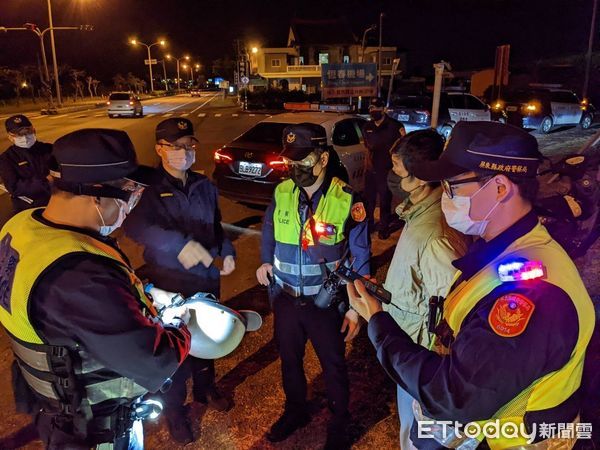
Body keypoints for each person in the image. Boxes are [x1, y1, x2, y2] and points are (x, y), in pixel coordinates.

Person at [347, 121, 596, 449]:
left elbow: (456, 396)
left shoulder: (531, 294)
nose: (444, 196)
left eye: (452, 185)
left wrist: (379, 324)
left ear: (499, 188)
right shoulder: (500, 249)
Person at [0, 128, 191, 449]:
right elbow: (155, 360)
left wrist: (140, 294)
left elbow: (68, 310)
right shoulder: (80, 273)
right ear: (97, 197)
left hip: (54, 410)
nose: (131, 205)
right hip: (96, 429)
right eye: (129, 193)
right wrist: (182, 325)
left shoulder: (23, 226)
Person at [256, 123, 370, 450]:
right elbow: (268, 232)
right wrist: (265, 261)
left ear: (322, 159)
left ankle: (339, 422)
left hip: (326, 302)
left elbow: (360, 257)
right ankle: (296, 411)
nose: (295, 168)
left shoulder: (347, 199)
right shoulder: (281, 193)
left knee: (332, 364)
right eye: (290, 161)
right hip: (286, 298)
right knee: (289, 360)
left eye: (303, 161)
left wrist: (354, 307)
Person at [123, 118, 234, 444]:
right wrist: (179, 244)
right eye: (176, 146)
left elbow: (217, 226)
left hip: (206, 278)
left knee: (207, 339)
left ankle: (206, 389)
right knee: (174, 349)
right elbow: (137, 228)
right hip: (169, 282)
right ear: (160, 149)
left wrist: (226, 252)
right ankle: (175, 410)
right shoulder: (148, 189)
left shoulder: (203, 185)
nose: (185, 153)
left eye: (189, 146)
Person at [384, 130, 470, 450]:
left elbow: (452, 311)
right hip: (409, 346)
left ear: (420, 178)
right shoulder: (418, 215)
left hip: (423, 358)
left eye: (398, 170)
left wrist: (435, 375)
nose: (392, 176)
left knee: (420, 434)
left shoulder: (436, 234)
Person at [361, 97, 405, 239]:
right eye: (371, 108)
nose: (373, 111)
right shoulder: (367, 127)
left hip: (387, 170)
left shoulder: (395, 126)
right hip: (371, 171)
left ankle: (384, 228)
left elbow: (403, 144)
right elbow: (366, 147)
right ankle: (370, 226)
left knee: (385, 201)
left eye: (376, 108)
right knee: (369, 201)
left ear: (384, 109)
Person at [0, 114, 52, 213]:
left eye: (27, 131)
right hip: (29, 207)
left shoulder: (49, 149)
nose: (24, 137)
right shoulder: (6, 159)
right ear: (10, 137)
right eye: (19, 134)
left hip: (57, 201)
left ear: (34, 130)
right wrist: (47, 181)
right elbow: (14, 187)